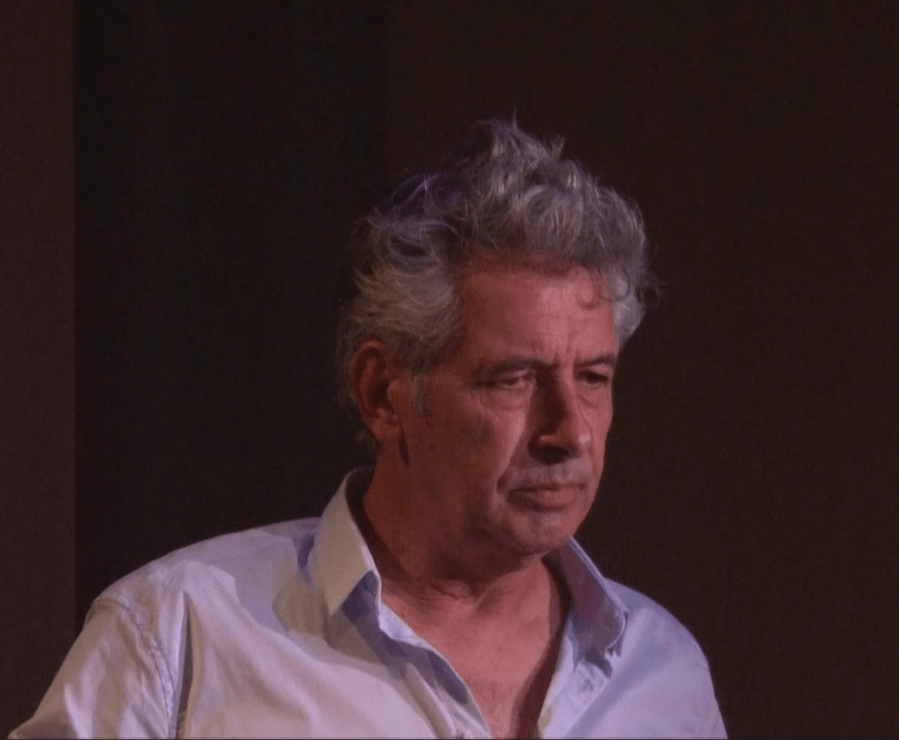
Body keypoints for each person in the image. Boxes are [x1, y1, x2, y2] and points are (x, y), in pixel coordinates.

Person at [11, 120, 726, 739]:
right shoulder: (178, 636)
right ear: (383, 393)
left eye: (593, 378)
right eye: (514, 379)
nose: (570, 433)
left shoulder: (664, 674)